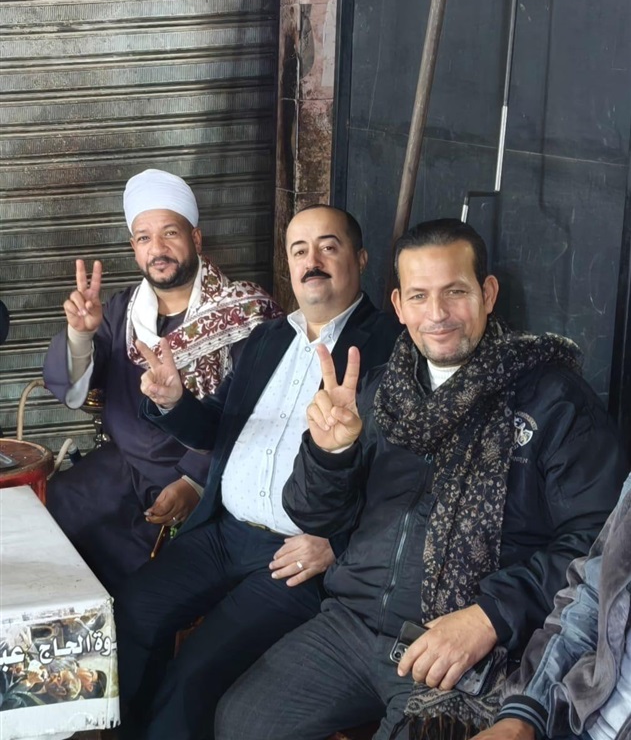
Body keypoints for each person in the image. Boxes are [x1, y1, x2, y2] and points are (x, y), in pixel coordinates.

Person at [215, 218, 627, 740]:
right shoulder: (380, 392)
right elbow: (314, 515)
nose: (437, 314)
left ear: (487, 293)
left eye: (455, 292)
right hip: (353, 621)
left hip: (467, 643)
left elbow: (598, 542)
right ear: (399, 305)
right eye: (419, 296)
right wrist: (331, 452)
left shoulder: (551, 400)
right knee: (241, 723)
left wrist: (490, 616)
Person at [113, 205, 403, 740]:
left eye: (329, 246)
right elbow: (216, 429)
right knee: (133, 612)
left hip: (299, 556)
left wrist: (338, 541)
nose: (312, 261)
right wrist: (175, 402)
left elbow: (401, 476)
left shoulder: (391, 346)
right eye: (299, 250)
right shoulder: (268, 339)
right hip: (223, 532)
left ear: (360, 258)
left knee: (197, 669)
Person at [43, 169, 281, 592]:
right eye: (144, 238)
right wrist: (80, 334)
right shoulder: (120, 312)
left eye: (170, 233)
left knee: (154, 584)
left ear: (196, 239)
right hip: (121, 467)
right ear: (134, 249)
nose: (158, 249)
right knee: (54, 514)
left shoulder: (247, 312)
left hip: (208, 474)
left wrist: (194, 481)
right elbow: (73, 387)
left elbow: (260, 412)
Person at [469, 470, 631, 740]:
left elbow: (578, 535)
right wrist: (524, 713)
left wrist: (495, 613)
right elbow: (592, 595)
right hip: (574, 717)